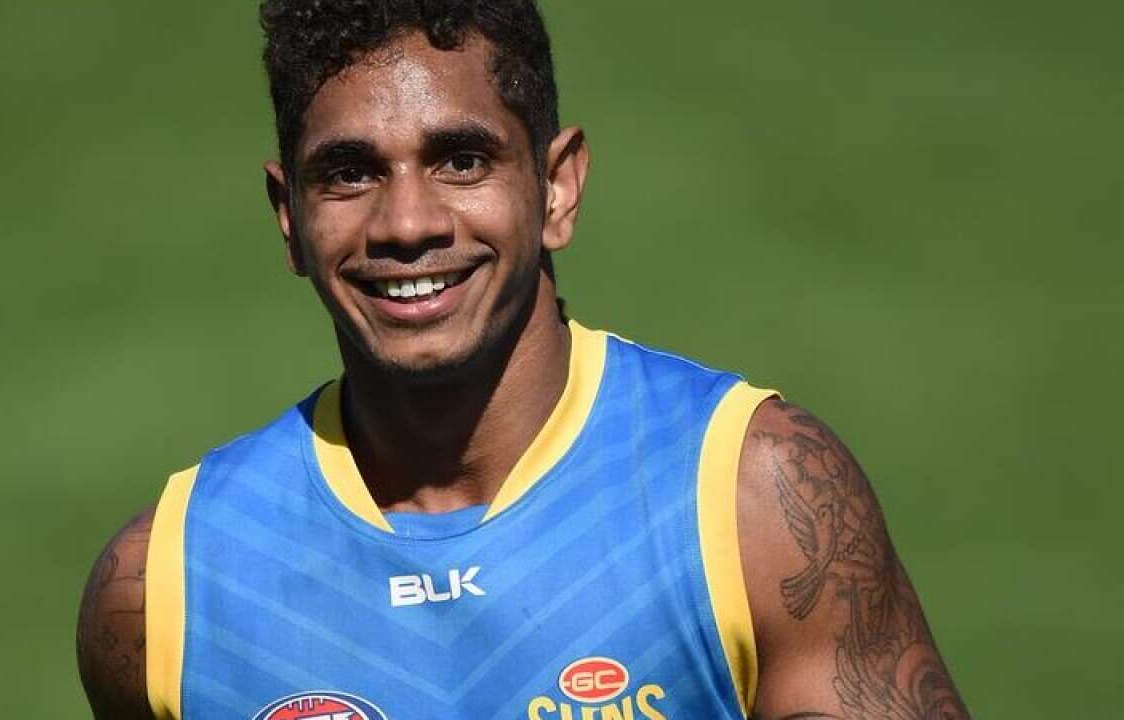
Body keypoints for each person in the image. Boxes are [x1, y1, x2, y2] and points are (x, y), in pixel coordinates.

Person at [76, 1, 970, 718]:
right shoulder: (169, 586)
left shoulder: (757, 503)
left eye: (461, 160)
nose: (407, 223)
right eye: (349, 173)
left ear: (558, 187)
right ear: (289, 219)